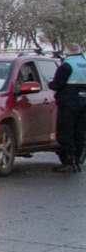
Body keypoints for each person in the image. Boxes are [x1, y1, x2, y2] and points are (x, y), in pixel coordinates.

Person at [49, 42, 86, 174]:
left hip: (69, 103)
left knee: (66, 132)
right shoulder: (84, 63)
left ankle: (68, 162)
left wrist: (50, 84)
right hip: (83, 102)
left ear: (67, 52)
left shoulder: (66, 65)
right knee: (79, 132)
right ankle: (77, 161)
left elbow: (57, 84)